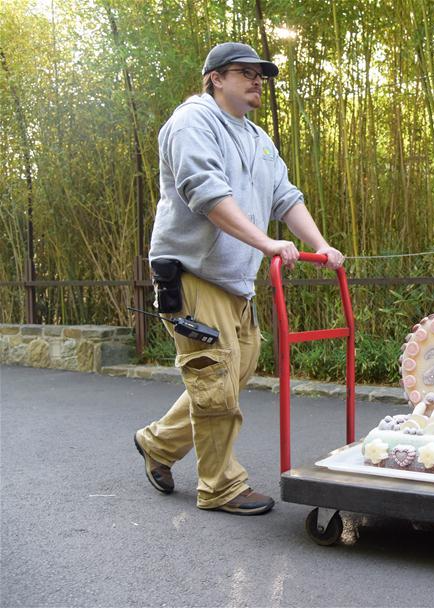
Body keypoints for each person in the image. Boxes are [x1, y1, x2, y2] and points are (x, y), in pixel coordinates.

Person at [134, 42, 343, 515]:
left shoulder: (257, 139)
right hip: (191, 273)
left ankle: (158, 444)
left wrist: (320, 245)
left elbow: (285, 198)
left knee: (233, 373)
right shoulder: (192, 124)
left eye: (260, 74)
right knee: (214, 378)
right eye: (243, 72)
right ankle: (221, 486)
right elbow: (206, 195)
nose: (256, 81)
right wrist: (265, 244)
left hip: (235, 282)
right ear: (214, 78)